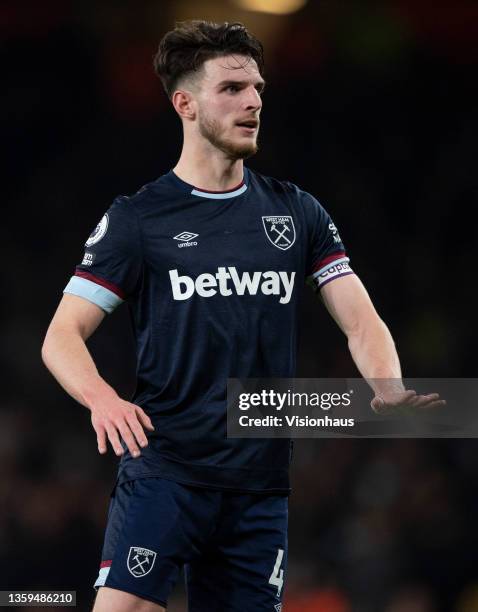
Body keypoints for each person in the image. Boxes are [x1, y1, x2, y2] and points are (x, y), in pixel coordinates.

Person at [41, 20, 443, 612]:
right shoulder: (138, 220)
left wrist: (388, 389)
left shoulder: (296, 213)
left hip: (259, 486)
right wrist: (102, 398)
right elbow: (60, 336)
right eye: (231, 88)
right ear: (185, 103)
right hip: (167, 469)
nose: (252, 100)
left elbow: (361, 319)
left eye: (257, 87)